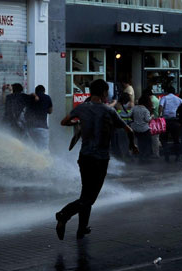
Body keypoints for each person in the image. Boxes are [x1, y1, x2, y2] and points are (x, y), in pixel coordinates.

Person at [55, 79, 138, 240]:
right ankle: (63, 214)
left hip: (84, 157)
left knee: (86, 193)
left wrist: (78, 122)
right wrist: (132, 146)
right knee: (89, 197)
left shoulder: (81, 108)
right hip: (100, 159)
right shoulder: (109, 111)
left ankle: (82, 228)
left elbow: (64, 122)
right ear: (104, 93)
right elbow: (129, 130)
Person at [159, 85, 182, 162]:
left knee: (164, 139)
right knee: (176, 139)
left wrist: (160, 115)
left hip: (166, 121)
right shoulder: (179, 99)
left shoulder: (164, 98)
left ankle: (167, 156)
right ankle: (177, 156)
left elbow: (160, 107)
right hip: (176, 121)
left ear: (167, 92)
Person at [24, 85, 53, 150]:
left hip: (30, 128)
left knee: (32, 148)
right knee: (44, 149)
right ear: (44, 91)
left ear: (36, 91)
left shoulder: (31, 98)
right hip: (42, 127)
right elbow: (50, 111)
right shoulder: (47, 98)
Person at [132, 91, 153, 163]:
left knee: (140, 143)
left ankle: (141, 157)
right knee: (147, 144)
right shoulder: (145, 110)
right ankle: (145, 158)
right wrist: (151, 117)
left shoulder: (135, 108)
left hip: (136, 129)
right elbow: (147, 120)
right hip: (144, 129)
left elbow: (129, 115)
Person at [150, 92, 161, 158]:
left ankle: (156, 154)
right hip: (155, 121)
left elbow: (152, 109)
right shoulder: (155, 99)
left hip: (154, 121)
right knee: (155, 138)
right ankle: (156, 153)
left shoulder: (153, 100)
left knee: (155, 138)